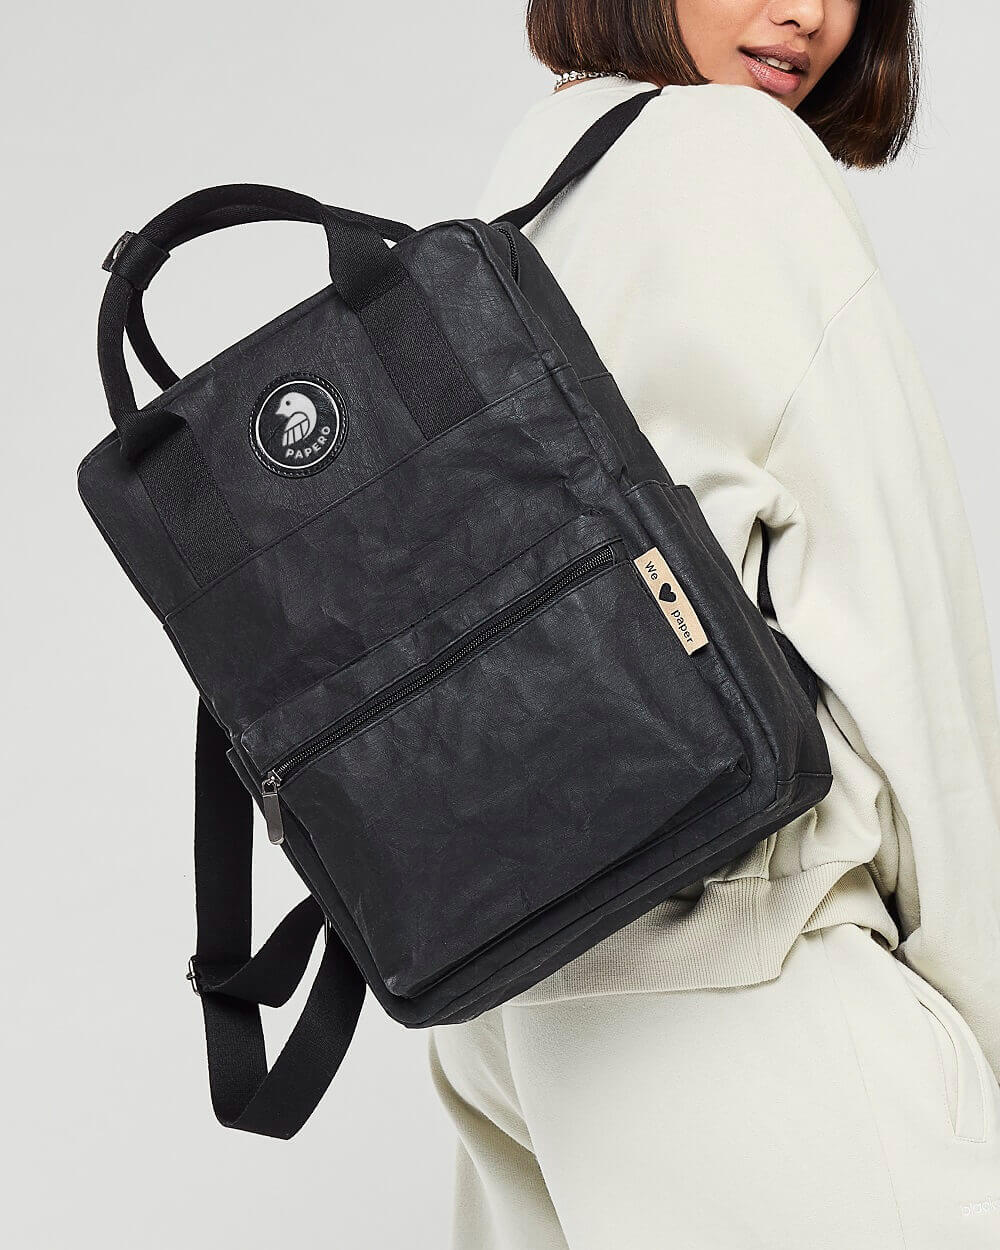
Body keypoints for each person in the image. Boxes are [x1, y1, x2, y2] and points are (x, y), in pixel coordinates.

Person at [428, 2, 1000, 1246]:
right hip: (754, 992)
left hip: (518, 1010)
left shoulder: (537, 169)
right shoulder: (736, 155)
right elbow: (905, 636)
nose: (813, 15)